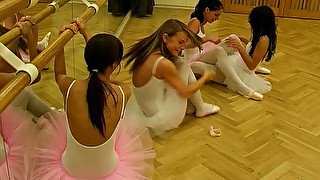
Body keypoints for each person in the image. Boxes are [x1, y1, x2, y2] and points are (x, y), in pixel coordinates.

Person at [30, 19, 155, 179]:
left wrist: (60, 43)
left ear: (87, 58)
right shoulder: (123, 92)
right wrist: (85, 32)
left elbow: (59, 74)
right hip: (106, 169)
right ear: (115, 64)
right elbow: (103, 75)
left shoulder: (69, 87)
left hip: (71, 167)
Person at [124, 19, 220, 135]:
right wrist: (205, 77)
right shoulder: (163, 64)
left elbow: (189, 45)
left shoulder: (147, 51)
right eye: (180, 42)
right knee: (183, 65)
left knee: (180, 63)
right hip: (164, 119)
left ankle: (193, 106)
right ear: (165, 38)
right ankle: (201, 107)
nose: (183, 47)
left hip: (145, 111)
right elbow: (185, 92)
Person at [188, 5, 276, 100]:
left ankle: (243, 88)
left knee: (196, 65)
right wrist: (243, 40)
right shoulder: (261, 35)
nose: (250, 23)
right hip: (236, 64)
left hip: (240, 72)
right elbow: (254, 49)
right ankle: (254, 72)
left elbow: (251, 66)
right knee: (232, 38)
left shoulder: (264, 39)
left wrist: (240, 47)